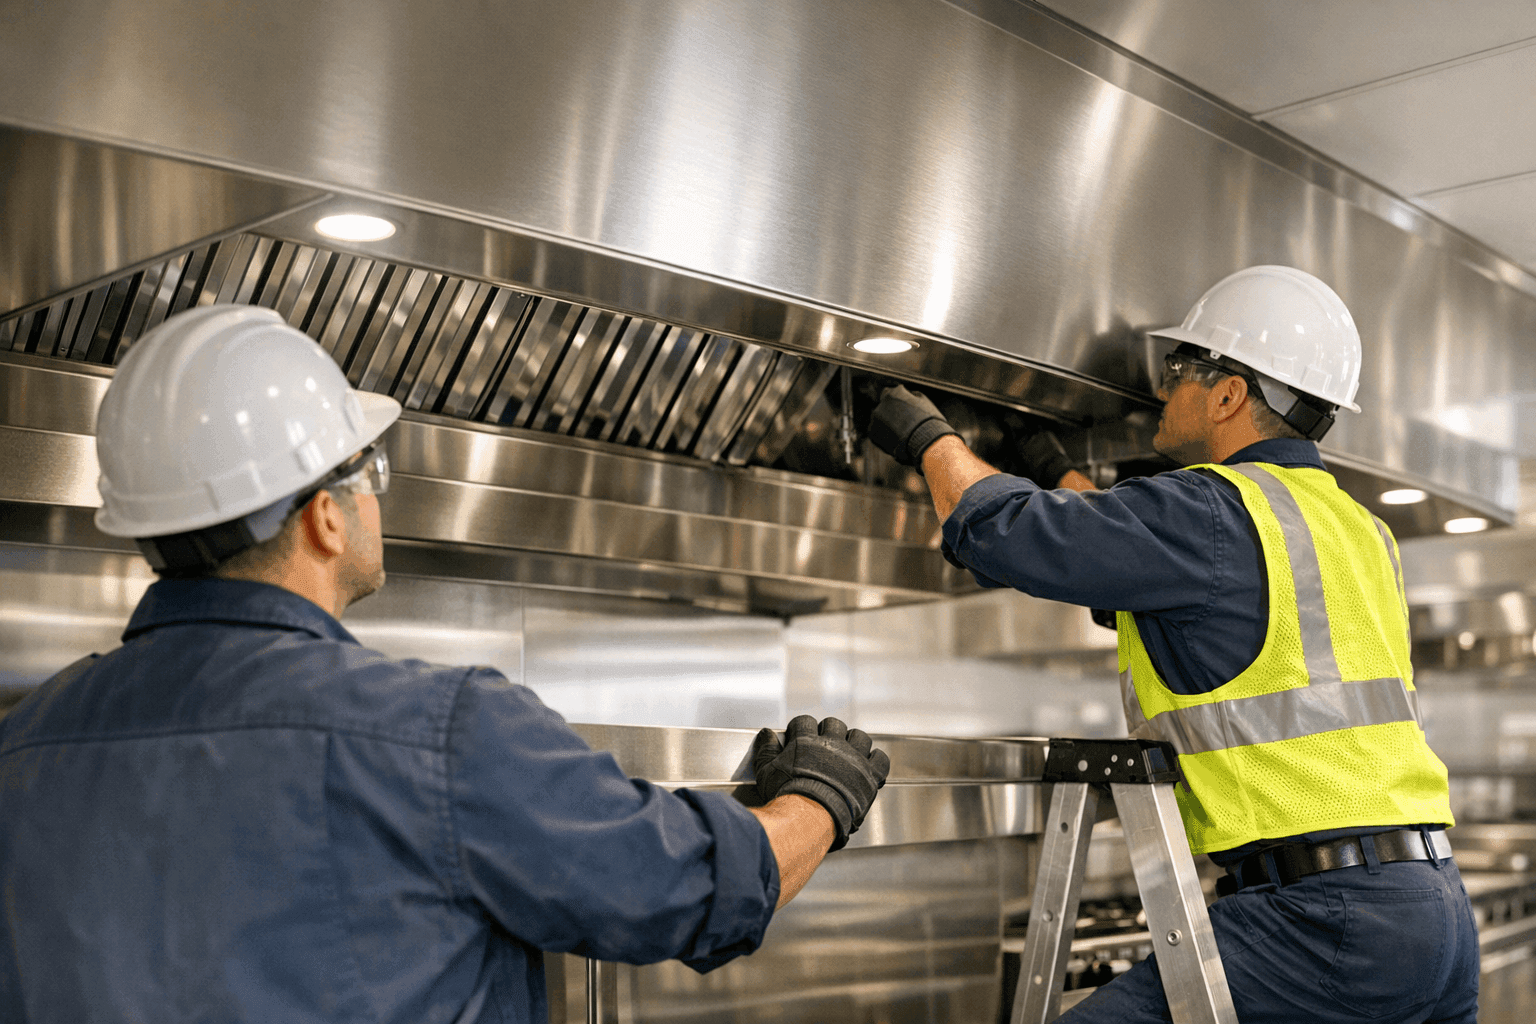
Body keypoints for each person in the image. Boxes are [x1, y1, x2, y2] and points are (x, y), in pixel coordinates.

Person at [0, 304, 890, 1024]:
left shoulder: (22, 748)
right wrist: (821, 794)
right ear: (326, 518)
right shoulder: (436, 738)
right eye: (368, 469)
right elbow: (694, 889)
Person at [869, 266, 1477, 1023]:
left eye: (1180, 369)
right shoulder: (1355, 530)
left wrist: (926, 436)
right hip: (1435, 912)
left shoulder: (1213, 510)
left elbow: (1002, 530)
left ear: (1228, 395)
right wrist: (1054, 464)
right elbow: (1151, 573)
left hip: (1320, 926)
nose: (1164, 388)